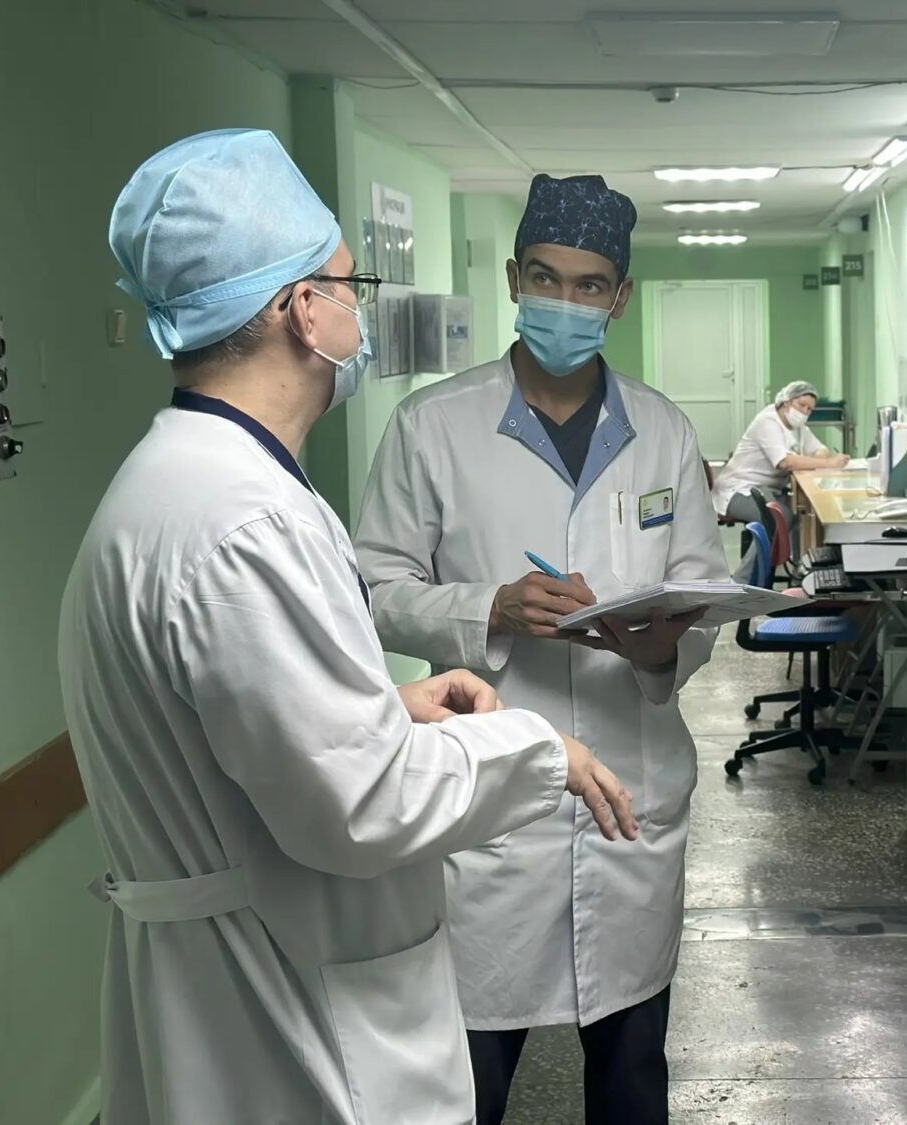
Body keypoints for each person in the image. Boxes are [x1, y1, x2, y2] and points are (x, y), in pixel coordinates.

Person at [59, 131, 637, 1125]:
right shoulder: (248, 524)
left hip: (222, 992)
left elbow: (230, 729)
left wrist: (383, 707)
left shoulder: (169, 485)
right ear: (303, 311)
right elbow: (364, 805)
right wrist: (539, 747)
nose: (359, 310)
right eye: (349, 283)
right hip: (284, 1021)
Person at [354, 173, 729, 1125]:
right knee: (467, 1083)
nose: (566, 301)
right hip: (492, 808)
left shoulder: (664, 432)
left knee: (633, 1079)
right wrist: (490, 607)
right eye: (548, 278)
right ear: (516, 280)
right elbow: (373, 591)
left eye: (590, 283)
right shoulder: (432, 426)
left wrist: (659, 647)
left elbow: (703, 595)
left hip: (629, 796)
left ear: (621, 296)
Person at [709, 380, 850, 527]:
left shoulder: (798, 427)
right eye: (802, 405)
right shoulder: (767, 421)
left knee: (803, 510)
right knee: (780, 519)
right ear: (786, 401)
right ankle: (761, 543)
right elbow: (784, 462)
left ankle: (787, 543)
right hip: (739, 490)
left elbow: (821, 449)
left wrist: (817, 460)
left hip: (768, 489)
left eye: (809, 409)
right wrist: (828, 463)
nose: (805, 412)